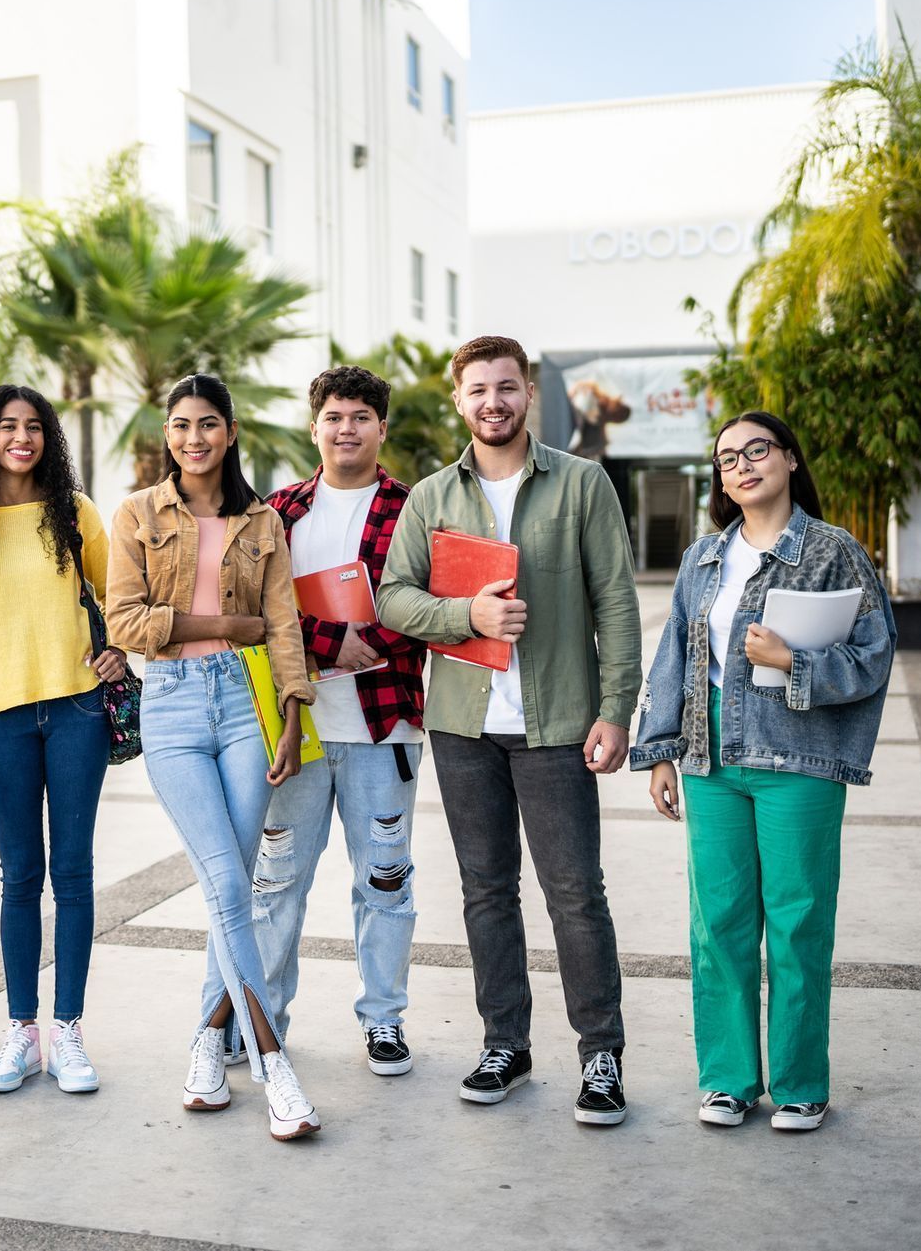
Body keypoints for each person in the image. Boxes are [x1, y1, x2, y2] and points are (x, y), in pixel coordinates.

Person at [378, 334, 642, 1127]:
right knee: (486, 892)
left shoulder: (583, 483)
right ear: (458, 400)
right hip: (464, 726)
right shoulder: (431, 498)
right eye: (477, 389)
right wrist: (467, 615)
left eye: (506, 386)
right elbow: (393, 596)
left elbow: (617, 604)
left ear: (527, 391)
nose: (492, 401)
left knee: (575, 894)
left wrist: (616, 707)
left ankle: (601, 1053)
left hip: (558, 722)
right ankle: (506, 1044)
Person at [631, 410, 894, 1133]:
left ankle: (802, 1084)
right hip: (711, 755)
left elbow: (875, 653)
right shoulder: (703, 557)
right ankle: (728, 1079)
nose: (742, 465)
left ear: (787, 458)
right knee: (717, 921)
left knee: (799, 919)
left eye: (757, 450)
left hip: (797, 758)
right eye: (726, 458)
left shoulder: (834, 551)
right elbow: (676, 659)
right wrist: (659, 751)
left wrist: (793, 662)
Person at [107, 374, 322, 1142]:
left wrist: (293, 716)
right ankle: (272, 1062)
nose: (192, 438)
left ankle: (207, 1039)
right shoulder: (136, 513)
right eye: (180, 425)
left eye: (207, 425)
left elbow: (284, 624)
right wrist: (226, 621)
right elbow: (124, 620)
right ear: (168, 434)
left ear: (230, 433)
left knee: (232, 885)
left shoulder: (261, 521)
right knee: (229, 881)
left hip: (244, 705)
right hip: (169, 705)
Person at [0, 384, 127, 1096]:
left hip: (76, 711)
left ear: (49, 437)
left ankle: (67, 1030)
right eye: (8, 426)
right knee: (17, 878)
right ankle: (20, 1030)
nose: (21, 437)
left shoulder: (75, 512)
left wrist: (119, 651)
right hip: (2, 718)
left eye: (34, 426)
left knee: (71, 873)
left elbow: (117, 597)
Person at [254, 365, 428, 1079]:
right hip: (298, 729)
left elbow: (432, 606)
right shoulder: (279, 510)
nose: (346, 427)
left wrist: (370, 642)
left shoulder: (414, 508)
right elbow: (253, 607)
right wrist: (327, 640)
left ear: (381, 428)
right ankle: (264, 1022)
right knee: (276, 882)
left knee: (385, 881)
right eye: (334, 415)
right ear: (315, 425)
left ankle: (383, 1020)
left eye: (361, 415)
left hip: (384, 727)